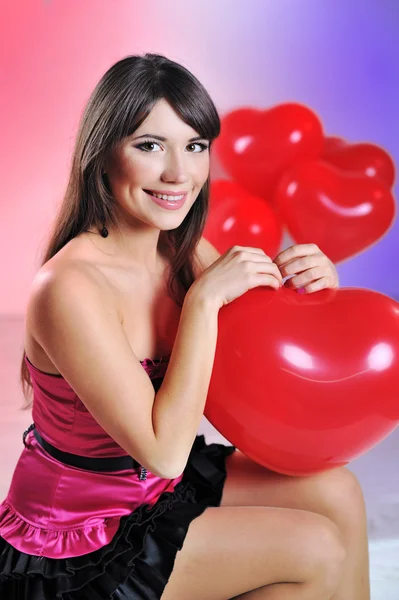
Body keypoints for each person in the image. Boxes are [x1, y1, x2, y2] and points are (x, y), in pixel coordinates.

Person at [0, 53, 370, 600]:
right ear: (102, 155)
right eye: (150, 145)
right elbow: (163, 451)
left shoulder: (182, 250)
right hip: (79, 536)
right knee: (311, 547)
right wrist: (201, 303)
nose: (179, 172)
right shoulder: (68, 288)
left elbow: (265, 356)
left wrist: (313, 287)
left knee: (336, 491)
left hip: (158, 493)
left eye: (195, 146)